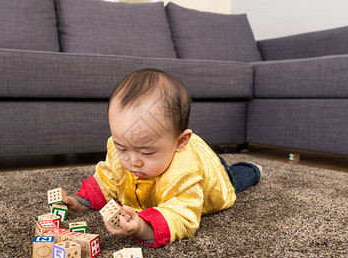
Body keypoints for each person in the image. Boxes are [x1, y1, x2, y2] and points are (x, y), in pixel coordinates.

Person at [64, 68, 262, 248]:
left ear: (179, 142)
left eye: (147, 152)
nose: (133, 161)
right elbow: (109, 177)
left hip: (212, 174)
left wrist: (143, 227)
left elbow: (182, 216)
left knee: (233, 183)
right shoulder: (121, 150)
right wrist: (82, 201)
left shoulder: (184, 174)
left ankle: (252, 169)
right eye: (122, 148)